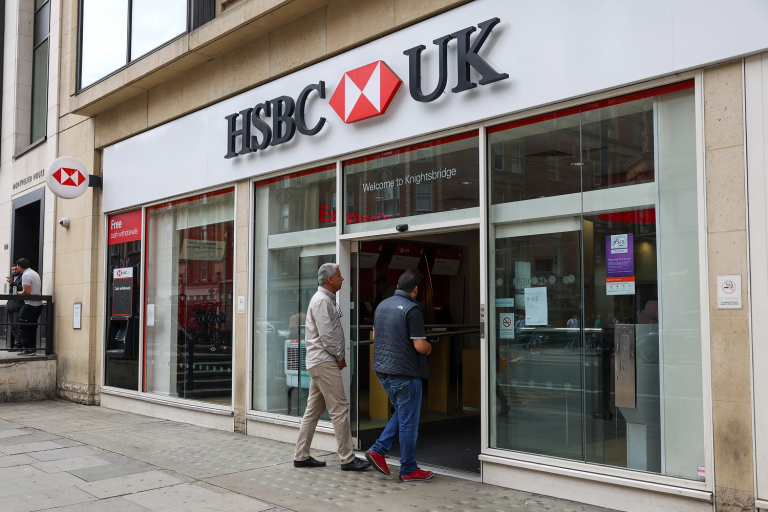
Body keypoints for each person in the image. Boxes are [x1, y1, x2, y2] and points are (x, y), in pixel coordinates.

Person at [293, 263, 370, 472]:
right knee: (339, 408)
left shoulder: (325, 299)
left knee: (313, 410)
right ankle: (347, 458)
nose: (342, 279)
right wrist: (340, 356)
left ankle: (301, 456)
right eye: (339, 275)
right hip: (324, 361)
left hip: (319, 361)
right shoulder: (322, 301)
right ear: (330, 279)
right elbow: (327, 336)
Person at [365, 271, 434, 482]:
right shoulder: (412, 309)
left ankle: (378, 451)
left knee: (402, 414)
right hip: (406, 374)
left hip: (383, 372)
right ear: (416, 289)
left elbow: (376, 336)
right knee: (408, 423)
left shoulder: (382, 306)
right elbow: (419, 345)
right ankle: (408, 469)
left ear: (397, 286)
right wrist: (429, 347)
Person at [15, 258, 42, 356]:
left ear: (19, 266)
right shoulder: (34, 273)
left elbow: (27, 291)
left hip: (30, 304)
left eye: (17, 266)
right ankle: (31, 349)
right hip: (38, 305)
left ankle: (28, 349)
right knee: (32, 326)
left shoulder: (26, 275)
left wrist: (18, 293)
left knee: (23, 326)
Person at [5, 264, 24, 349]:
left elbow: (22, 288)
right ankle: (18, 343)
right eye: (12, 269)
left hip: (17, 306)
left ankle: (19, 343)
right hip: (10, 305)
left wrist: (12, 283)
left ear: (19, 269)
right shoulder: (13, 278)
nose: (14, 271)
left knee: (17, 326)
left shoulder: (22, 277)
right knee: (12, 327)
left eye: (16, 269)